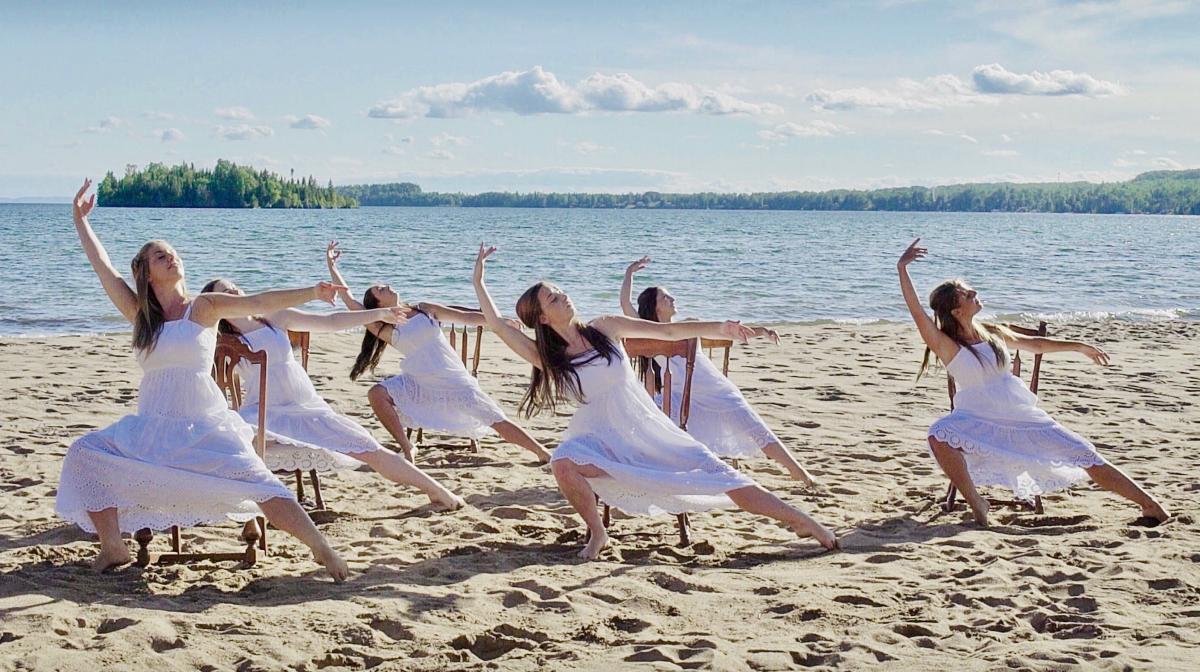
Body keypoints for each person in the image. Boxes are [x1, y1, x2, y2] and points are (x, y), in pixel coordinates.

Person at [54, 179, 349, 580]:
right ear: (145, 271)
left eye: (173, 253)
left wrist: (313, 290)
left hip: (203, 425)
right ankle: (113, 547)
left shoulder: (203, 308)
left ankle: (324, 550)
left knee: (263, 484)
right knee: (85, 454)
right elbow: (102, 268)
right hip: (152, 427)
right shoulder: (142, 317)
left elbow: (258, 302)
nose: (171, 258)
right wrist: (79, 221)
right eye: (161, 256)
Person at [472, 244, 838, 560]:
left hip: (645, 429)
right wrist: (479, 280)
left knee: (721, 477)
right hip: (598, 440)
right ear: (540, 316)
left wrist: (719, 328)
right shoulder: (548, 357)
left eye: (561, 291)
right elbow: (497, 324)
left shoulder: (604, 329)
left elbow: (668, 332)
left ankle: (802, 522)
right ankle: (598, 532)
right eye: (553, 298)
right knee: (562, 463)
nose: (564, 296)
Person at [898, 238, 1170, 526]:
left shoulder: (992, 332)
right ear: (956, 311)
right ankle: (976, 502)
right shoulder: (946, 345)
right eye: (966, 294)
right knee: (939, 433)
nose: (974, 292)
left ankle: (1150, 505)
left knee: (1085, 454)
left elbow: (1036, 344)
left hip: (1021, 416)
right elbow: (917, 312)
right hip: (977, 420)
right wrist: (902, 268)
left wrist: (1078, 346)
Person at [200, 277, 466, 511]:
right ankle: (239, 513)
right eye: (227, 291)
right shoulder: (218, 339)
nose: (235, 291)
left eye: (235, 287)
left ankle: (436, 490)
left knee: (370, 448)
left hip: (306, 408)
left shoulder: (274, 318)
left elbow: (331, 322)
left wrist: (378, 314)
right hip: (263, 413)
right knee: (224, 441)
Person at [325, 241, 550, 463]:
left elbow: (465, 317)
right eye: (381, 290)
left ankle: (540, 451)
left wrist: (500, 322)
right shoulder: (384, 327)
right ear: (378, 303)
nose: (386, 287)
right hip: (420, 382)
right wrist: (332, 267)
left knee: (495, 420)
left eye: (383, 285)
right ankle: (407, 447)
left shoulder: (424, 309)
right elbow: (349, 301)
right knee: (376, 394)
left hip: (452, 378)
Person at [620, 256, 816, 484]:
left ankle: (799, 472)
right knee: (649, 413)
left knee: (755, 428)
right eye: (665, 297)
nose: (672, 298)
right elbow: (625, 304)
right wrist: (629, 273)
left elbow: (722, 331)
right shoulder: (648, 330)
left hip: (714, 391)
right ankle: (647, 469)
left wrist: (761, 331)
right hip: (680, 397)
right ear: (655, 307)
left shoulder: (690, 324)